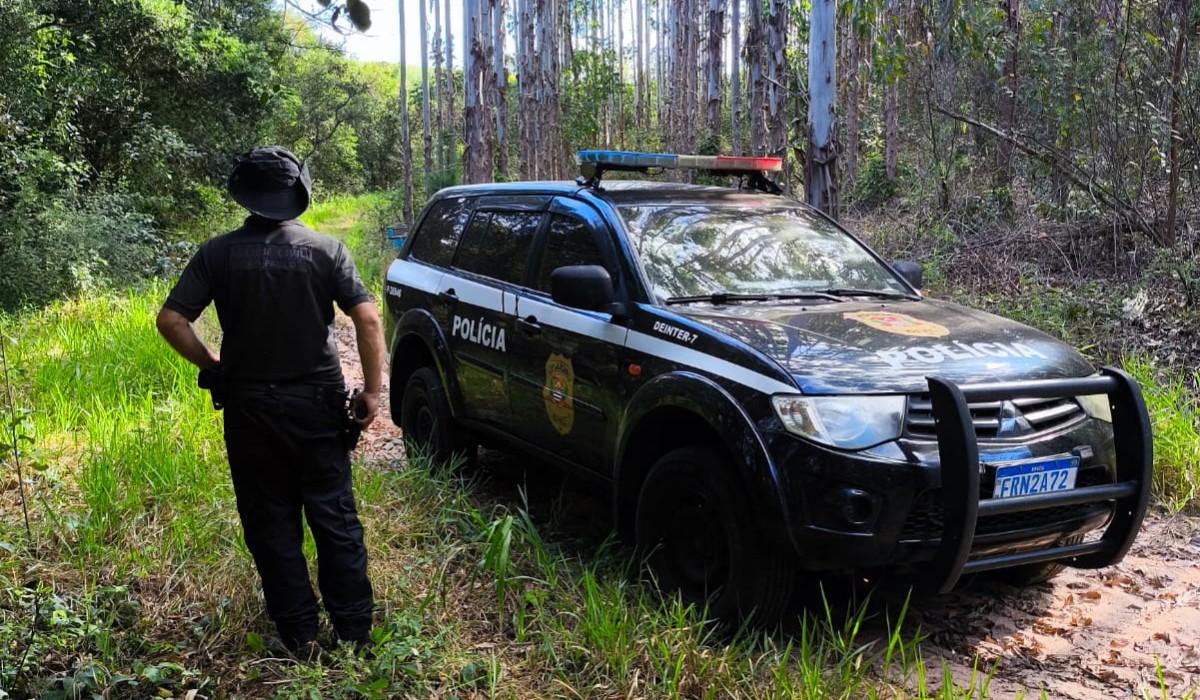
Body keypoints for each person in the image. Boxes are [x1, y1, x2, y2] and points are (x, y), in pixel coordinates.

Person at [155, 145, 385, 654]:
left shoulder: (217, 253)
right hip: (318, 405)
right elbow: (367, 319)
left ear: (247, 195)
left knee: (269, 518)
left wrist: (211, 364)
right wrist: (371, 392)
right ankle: (353, 632)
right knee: (333, 514)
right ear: (296, 194)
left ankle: (299, 634)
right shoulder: (328, 251)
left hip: (248, 407)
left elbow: (171, 321)